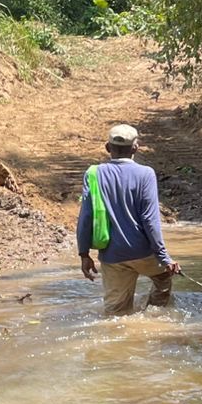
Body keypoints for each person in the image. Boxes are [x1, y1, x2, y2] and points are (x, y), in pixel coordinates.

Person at [76, 123, 180, 315]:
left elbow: (86, 216)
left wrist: (84, 254)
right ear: (135, 148)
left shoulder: (93, 174)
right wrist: (164, 257)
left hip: (112, 255)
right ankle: (153, 316)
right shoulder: (146, 174)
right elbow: (150, 219)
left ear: (108, 148)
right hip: (143, 251)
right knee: (163, 278)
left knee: (115, 312)